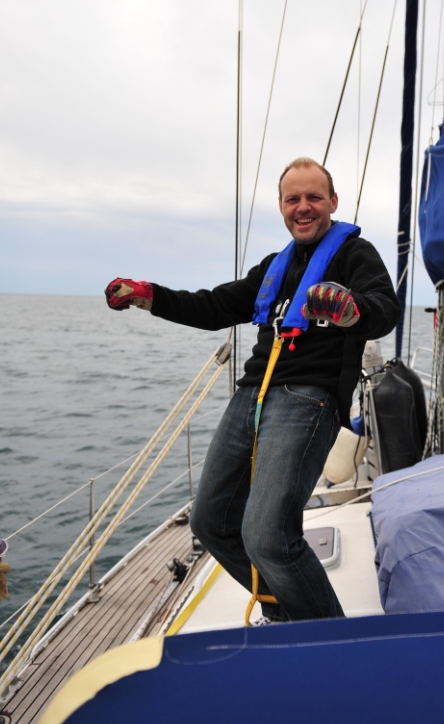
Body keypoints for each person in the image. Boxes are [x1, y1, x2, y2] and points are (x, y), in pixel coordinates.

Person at [105, 157, 400, 623]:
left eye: (314, 197)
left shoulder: (354, 255)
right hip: (251, 396)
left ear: (333, 202)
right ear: (281, 206)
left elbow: (384, 307)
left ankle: (329, 640)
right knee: (211, 523)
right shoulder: (273, 267)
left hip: (308, 398)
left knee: (268, 536)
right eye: (293, 199)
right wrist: (150, 296)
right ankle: (285, 613)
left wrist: (349, 310)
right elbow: (215, 306)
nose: (303, 207)